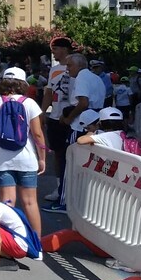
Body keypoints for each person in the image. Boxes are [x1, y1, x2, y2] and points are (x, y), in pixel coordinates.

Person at [0, 67, 47, 237]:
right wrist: (42, 158)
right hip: (27, 159)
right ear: (23, 83)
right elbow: (38, 134)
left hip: (2, 160)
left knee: (7, 203)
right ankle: (36, 243)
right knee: (30, 202)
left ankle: (9, 242)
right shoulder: (29, 103)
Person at [48, 53, 105, 214]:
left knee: (69, 163)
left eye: (70, 66)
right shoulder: (96, 78)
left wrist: (68, 118)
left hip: (80, 124)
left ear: (79, 66)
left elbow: (83, 102)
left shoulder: (81, 78)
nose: (67, 69)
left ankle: (65, 202)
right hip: (93, 122)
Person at [40, 36, 73, 204]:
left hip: (71, 119)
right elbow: (48, 92)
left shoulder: (77, 67)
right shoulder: (54, 70)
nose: (53, 53)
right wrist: (43, 112)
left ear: (65, 49)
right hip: (55, 117)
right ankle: (59, 188)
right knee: (58, 155)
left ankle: (72, 190)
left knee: (72, 155)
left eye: (56, 49)